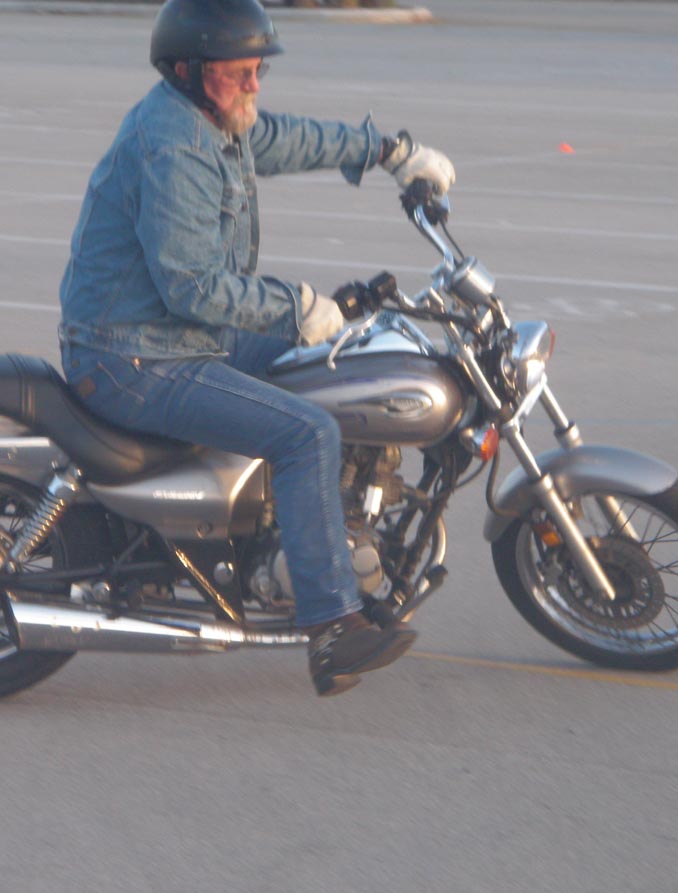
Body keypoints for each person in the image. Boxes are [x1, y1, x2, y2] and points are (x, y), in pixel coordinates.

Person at [58, 0, 455, 696]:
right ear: (189, 70)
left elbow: (283, 138)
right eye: (239, 72)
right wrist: (298, 307)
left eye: (257, 71)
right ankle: (332, 626)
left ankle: (309, 535)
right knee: (307, 433)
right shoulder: (176, 146)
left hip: (170, 337)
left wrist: (389, 152)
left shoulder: (214, 120)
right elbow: (191, 286)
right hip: (134, 358)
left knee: (331, 361)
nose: (253, 84)